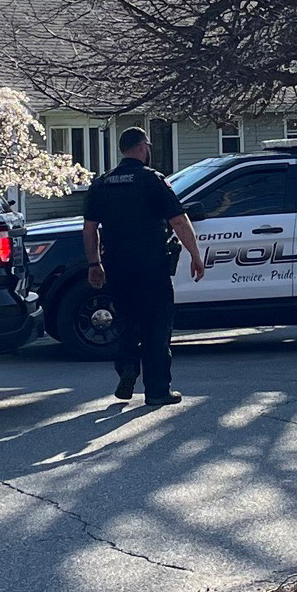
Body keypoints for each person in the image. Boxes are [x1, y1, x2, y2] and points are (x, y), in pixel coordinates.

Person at [81, 127, 206, 406]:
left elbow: (89, 228)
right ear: (143, 147)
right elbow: (178, 220)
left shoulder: (103, 183)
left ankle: (126, 368)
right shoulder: (152, 181)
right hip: (151, 266)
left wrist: (94, 263)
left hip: (117, 265)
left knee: (126, 321)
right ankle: (158, 390)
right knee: (156, 325)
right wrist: (195, 255)